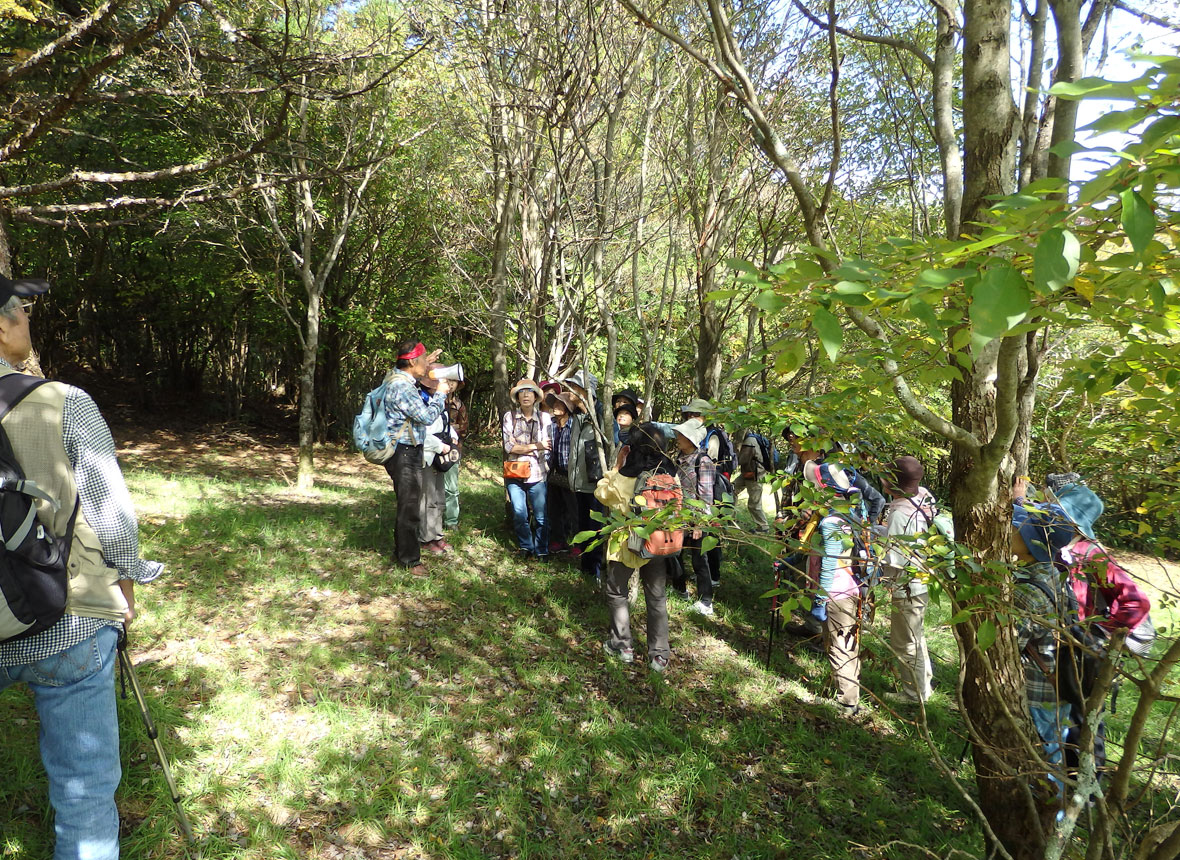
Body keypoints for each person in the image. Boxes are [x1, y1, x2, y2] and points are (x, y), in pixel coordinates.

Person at [0, 272, 164, 860]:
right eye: (22, 309)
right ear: (2, 324)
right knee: (85, 789)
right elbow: (113, 517)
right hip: (69, 618)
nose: (28, 320)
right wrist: (126, 582)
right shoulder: (65, 403)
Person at [596, 423, 677, 672]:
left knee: (617, 592)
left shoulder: (626, 476)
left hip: (626, 544)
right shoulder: (669, 476)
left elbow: (602, 495)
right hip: (657, 543)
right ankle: (659, 655)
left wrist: (616, 468)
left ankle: (622, 645)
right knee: (657, 597)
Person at [803, 459, 865, 717]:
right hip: (850, 588)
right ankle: (845, 691)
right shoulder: (848, 512)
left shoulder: (832, 523)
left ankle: (847, 702)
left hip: (837, 592)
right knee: (842, 643)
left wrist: (820, 599)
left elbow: (830, 562)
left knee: (841, 647)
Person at [383, 340, 451, 576]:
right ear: (412, 362)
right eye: (421, 360)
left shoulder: (395, 378)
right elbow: (425, 416)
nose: (426, 365)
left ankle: (402, 551)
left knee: (407, 504)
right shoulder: (403, 388)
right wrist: (440, 395)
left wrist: (425, 362)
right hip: (405, 452)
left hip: (401, 450)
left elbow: (408, 370)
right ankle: (409, 560)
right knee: (410, 508)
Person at [879, 456, 937, 703]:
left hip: (907, 584)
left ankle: (915, 694)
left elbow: (894, 559)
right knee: (916, 635)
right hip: (923, 577)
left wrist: (884, 582)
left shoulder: (898, 514)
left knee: (905, 643)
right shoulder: (924, 496)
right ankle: (924, 685)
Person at [671, 417, 717, 615]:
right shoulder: (677, 458)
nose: (678, 438)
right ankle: (679, 588)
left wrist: (699, 523)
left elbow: (706, 494)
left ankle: (706, 601)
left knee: (699, 558)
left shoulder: (702, 461)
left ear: (691, 439)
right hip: (678, 516)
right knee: (675, 553)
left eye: (682, 435)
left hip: (696, 517)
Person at [503, 379, 552, 559]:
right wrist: (535, 446)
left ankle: (541, 549)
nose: (525, 395)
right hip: (515, 473)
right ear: (517, 396)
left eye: (529, 392)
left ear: (535, 396)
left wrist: (526, 446)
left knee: (541, 515)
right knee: (519, 513)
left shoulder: (544, 418)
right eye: (522, 392)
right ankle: (526, 546)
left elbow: (547, 445)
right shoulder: (510, 417)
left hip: (538, 473)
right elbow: (509, 447)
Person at [418, 369, 455, 556]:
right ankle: (426, 538)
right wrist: (439, 446)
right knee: (427, 499)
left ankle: (437, 535)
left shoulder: (440, 402)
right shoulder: (420, 400)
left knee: (439, 497)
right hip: (426, 454)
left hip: (439, 455)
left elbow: (444, 425)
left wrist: (452, 439)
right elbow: (420, 431)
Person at [545, 391, 578, 554]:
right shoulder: (551, 425)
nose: (556, 407)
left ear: (567, 408)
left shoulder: (574, 426)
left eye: (560, 404)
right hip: (554, 472)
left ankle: (578, 544)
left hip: (570, 473)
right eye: (555, 404)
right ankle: (558, 540)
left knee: (574, 510)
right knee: (554, 508)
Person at [733, 429, 771, 533]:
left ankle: (763, 527)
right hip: (748, 473)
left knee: (754, 503)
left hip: (755, 474)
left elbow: (743, 459)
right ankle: (731, 518)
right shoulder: (751, 439)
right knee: (732, 489)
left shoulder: (749, 441)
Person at [443, 379, 468, 530]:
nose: (450, 384)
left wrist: (450, 429)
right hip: (431, 448)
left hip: (453, 449)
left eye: (454, 381)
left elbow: (464, 429)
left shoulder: (459, 405)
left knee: (451, 487)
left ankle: (451, 520)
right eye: (448, 380)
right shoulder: (432, 401)